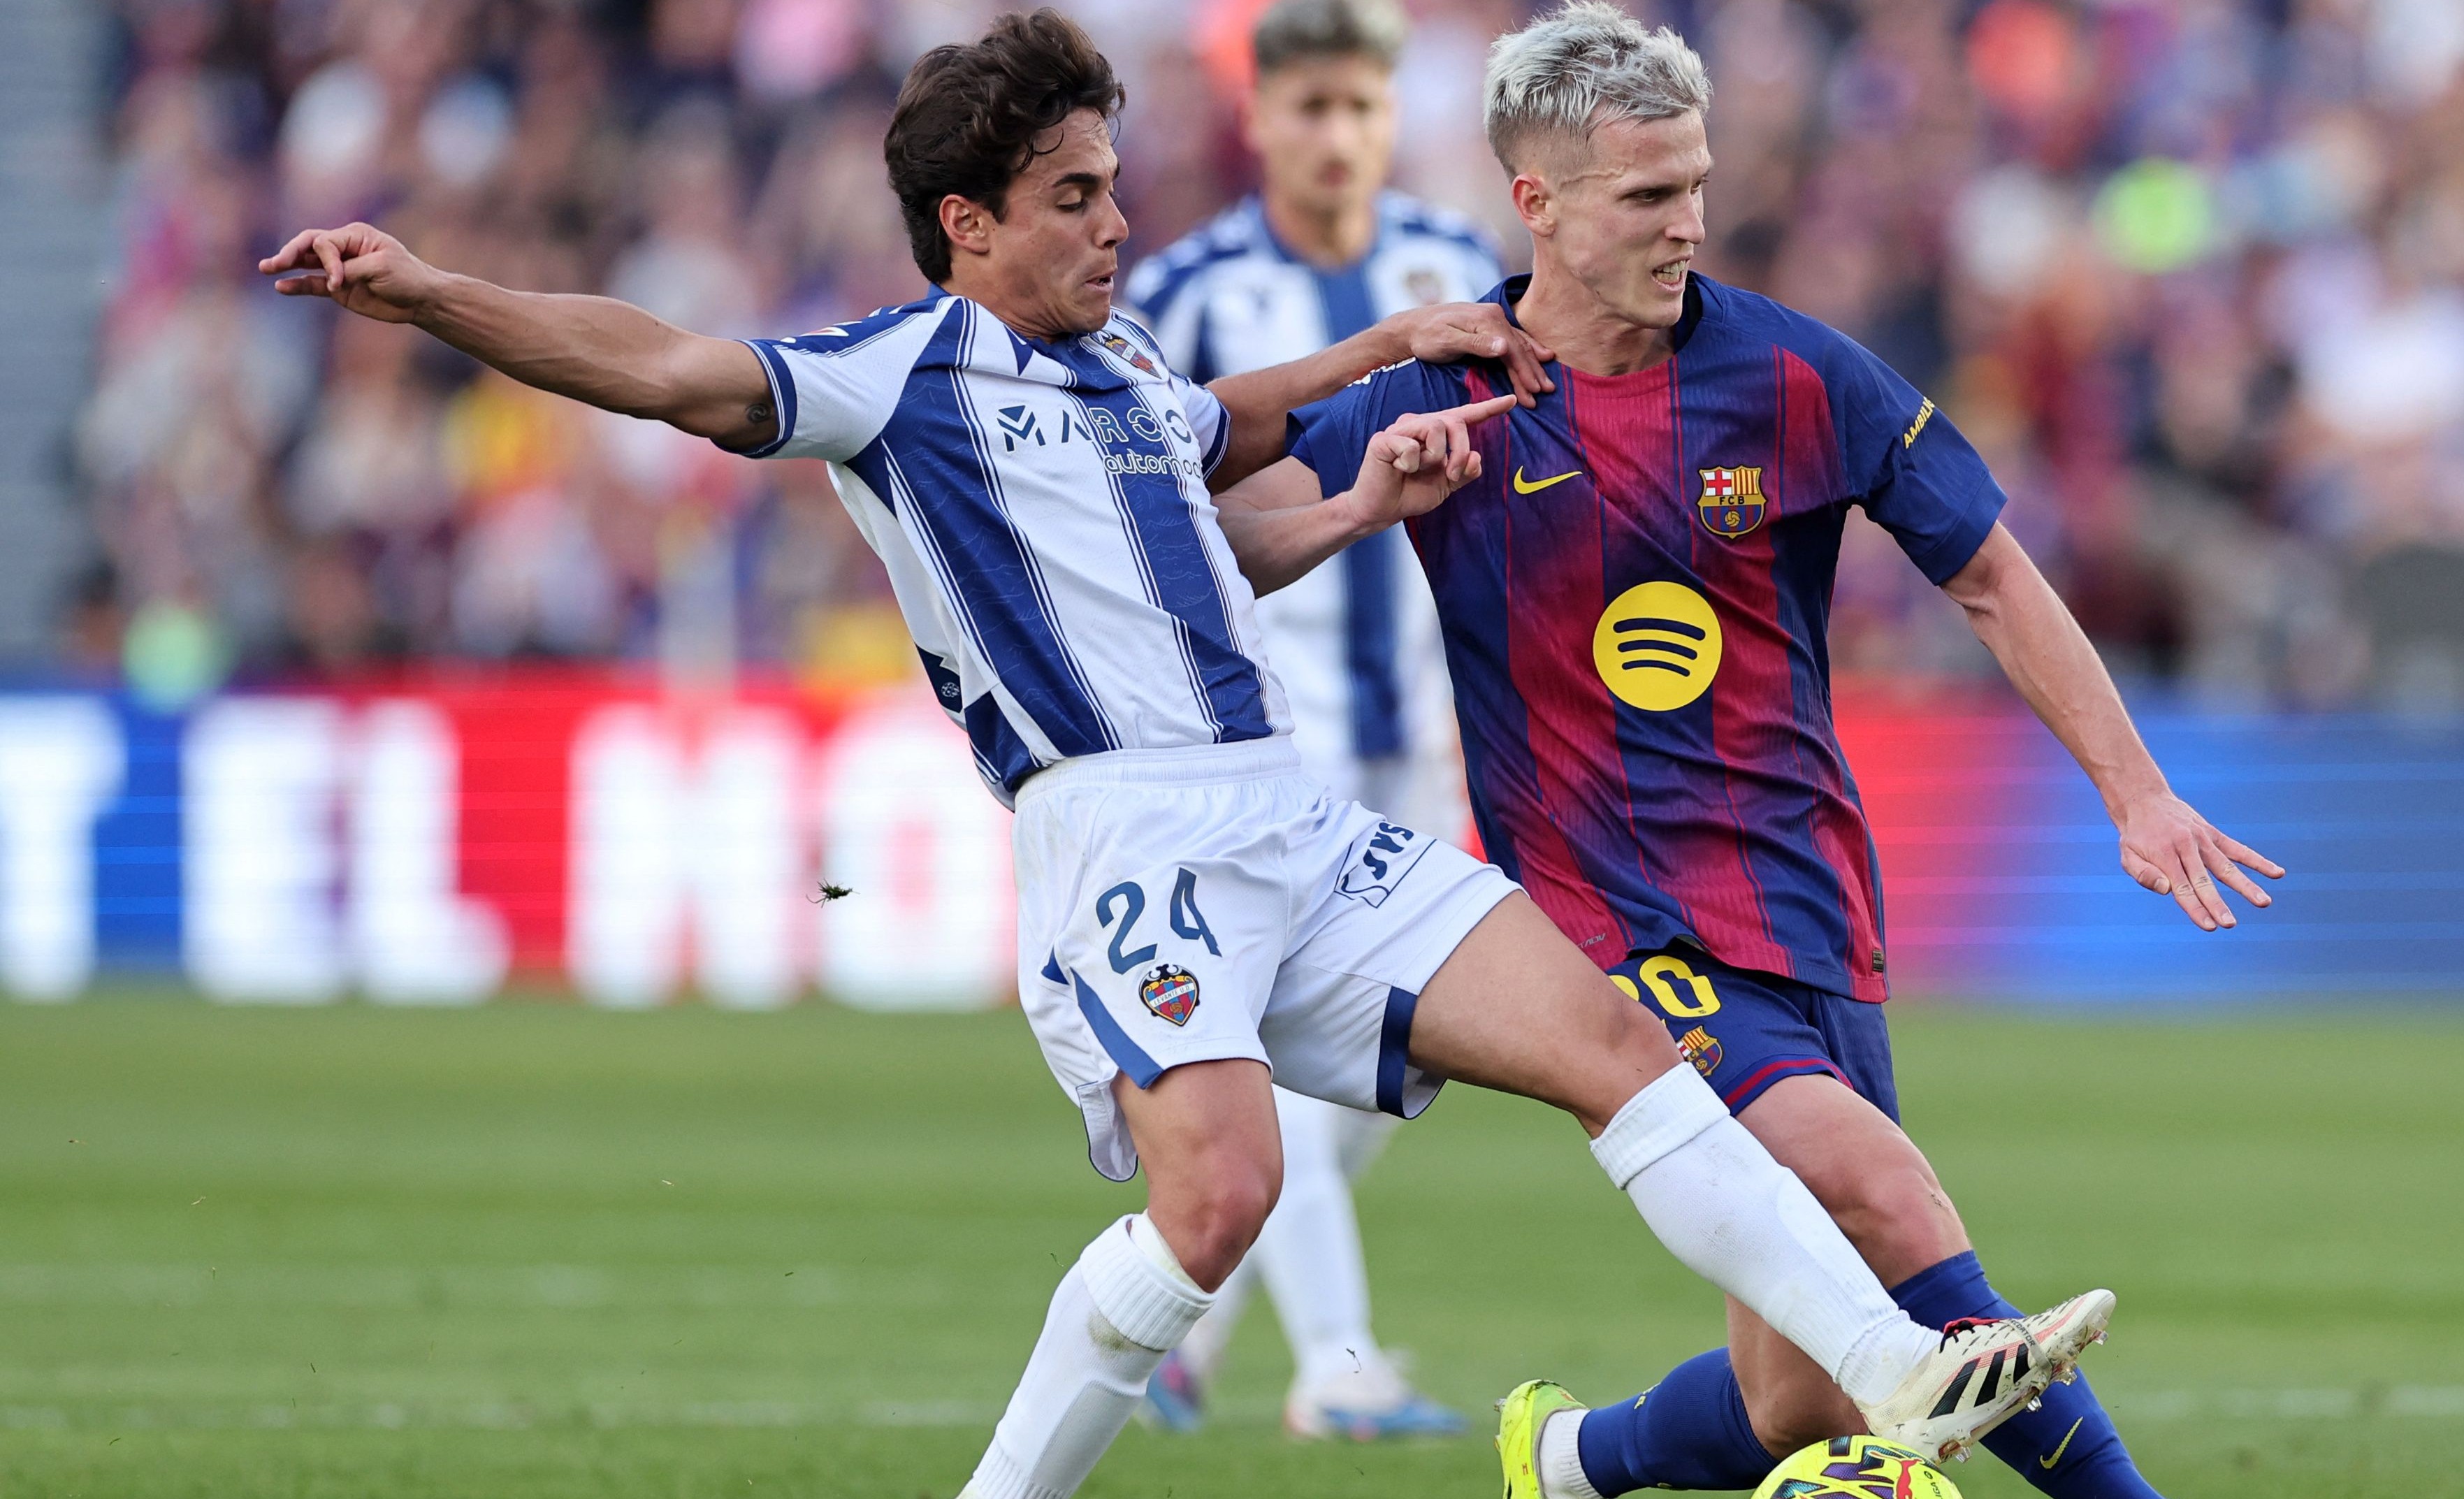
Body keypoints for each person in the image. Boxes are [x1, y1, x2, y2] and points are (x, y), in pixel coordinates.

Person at [259, 13, 2108, 1498]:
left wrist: (1369, 447)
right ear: (968, 225)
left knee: (1614, 1043)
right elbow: (664, 365)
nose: (1111, 224)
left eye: (1111, 187)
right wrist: (429, 290)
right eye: (1071, 198)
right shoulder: (899, 376)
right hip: (1121, 836)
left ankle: (1895, 1369)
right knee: (1221, 1197)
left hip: (1286, 812)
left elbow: (1224, 481)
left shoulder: (1128, 371)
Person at [1232, 6, 2283, 1499]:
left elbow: (1989, 572)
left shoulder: (1795, 376)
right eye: (1647, 196)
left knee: (1791, 1392)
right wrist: (1355, 494)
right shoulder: (1440, 394)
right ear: (1536, 203)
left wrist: (2136, 791)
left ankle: (1571, 1457)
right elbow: (1205, 526)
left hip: (1804, 901)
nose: (1690, 223)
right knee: (1884, 1196)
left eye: (1696, 186)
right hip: (1610, 927)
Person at [1120, 0, 1499, 1441]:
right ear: (1260, 118)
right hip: (1277, 732)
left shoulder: (1455, 266)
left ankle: (1180, 1327)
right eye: (1310, 107)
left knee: (1402, 1056)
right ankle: (1339, 1372)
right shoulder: (1190, 290)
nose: (1335, 134)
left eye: (1359, 106)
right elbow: (1142, 495)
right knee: (1297, 1051)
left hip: (1429, 718)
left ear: (1391, 116)